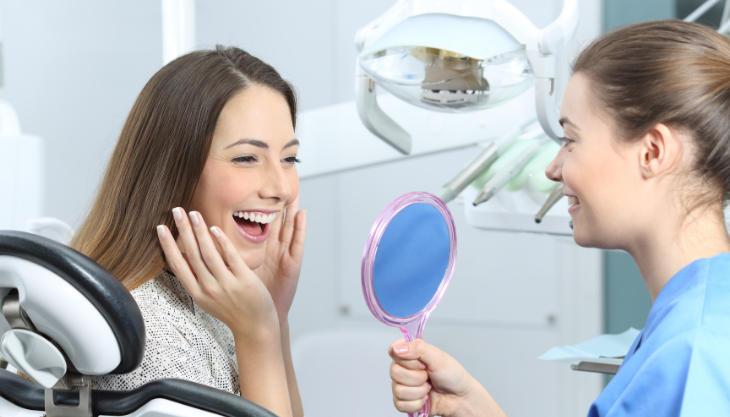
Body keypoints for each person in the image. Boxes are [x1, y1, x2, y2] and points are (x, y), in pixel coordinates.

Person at [388, 20, 730, 417]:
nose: (553, 168)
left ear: (652, 152)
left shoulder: (693, 352)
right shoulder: (696, 319)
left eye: (570, 140)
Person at [70, 46, 305, 417]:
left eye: (289, 158)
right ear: (172, 172)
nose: (283, 188)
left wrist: (274, 318)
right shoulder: (150, 336)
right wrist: (259, 334)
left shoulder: (214, 298)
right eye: (247, 157)